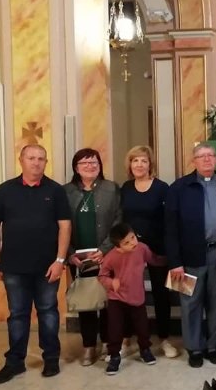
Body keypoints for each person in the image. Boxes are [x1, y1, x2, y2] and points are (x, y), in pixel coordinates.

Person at [0, 145, 72, 385]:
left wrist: (60, 260)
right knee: (17, 315)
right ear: (21, 160)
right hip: (13, 266)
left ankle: (51, 359)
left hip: (48, 266)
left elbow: (65, 226)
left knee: (48, 312)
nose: (36, 163)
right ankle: (14, 362)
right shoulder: (5, 190)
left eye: (41, 159)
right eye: (31, 158)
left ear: (46, 163)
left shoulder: (55, 191)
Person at [165, 143, 216, 368]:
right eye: (201, 156)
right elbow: (171, 228)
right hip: (188, 257)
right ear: (193, 161)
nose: (207, 160)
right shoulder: (179, 188)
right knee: (190, 304)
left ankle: (214, 346)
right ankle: (194, 348)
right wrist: (175, 262)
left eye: (211, 156)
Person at [64, 148, 121, 366]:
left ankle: (108, 342)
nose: (90, 166)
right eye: (84, 163)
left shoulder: (111, 189)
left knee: (108, 301)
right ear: (76, 168)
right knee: (86, 302)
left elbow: (118, 220)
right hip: (79, 258)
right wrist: (69, 254)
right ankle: (89, 346)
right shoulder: (66, 191)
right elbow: (59, 225)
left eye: (94, 162)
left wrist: (105, 249)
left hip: (106, 255)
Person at [120, 145, 178, 358]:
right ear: (130, 164)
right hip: (130, 251)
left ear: (150, 164)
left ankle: (164, 339)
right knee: (128, 294)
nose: (139, 165)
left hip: (157, 249)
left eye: (143, 161)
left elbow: (169, 220)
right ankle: (126, 338)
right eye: (135, 161)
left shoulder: (162, 188)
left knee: (161, 295)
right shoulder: (125, 188)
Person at [98, 223, 166, 375]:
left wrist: (170, 261)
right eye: (127, 243)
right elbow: (102, 275)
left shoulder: (142, 248)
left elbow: (154, 259)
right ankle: (115, 356)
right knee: (115, 329)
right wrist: (111, 282)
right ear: (118, 247)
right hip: (117, 299)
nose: (133, 243)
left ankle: (145, 349)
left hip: (137, 297)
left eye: (133, 238)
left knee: (142, 327)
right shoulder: (111, 257)